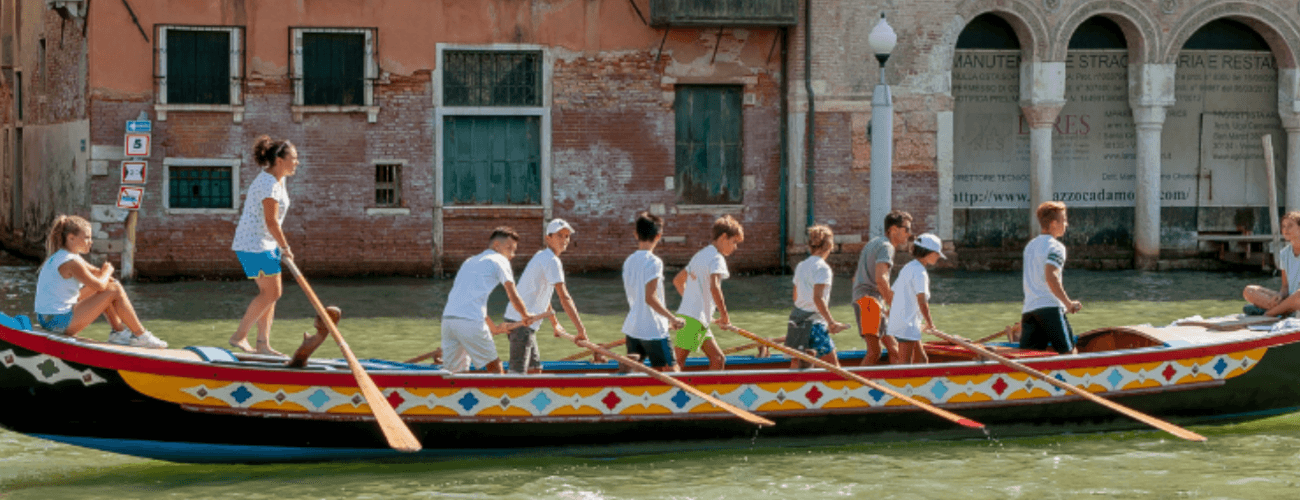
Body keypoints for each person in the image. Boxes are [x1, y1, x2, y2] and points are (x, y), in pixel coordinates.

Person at [35, 215, 167, 348]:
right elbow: (99, 284)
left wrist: (106, 275)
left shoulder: (65, 256)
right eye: (87, 237)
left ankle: (119, 333)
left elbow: (98, 274)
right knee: (112, 288)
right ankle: (140, 334)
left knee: (111, 286)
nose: (91, 241)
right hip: (56, 323)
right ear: (71, 238)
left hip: (47, 319)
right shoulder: (71, 262)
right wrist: (108, 270)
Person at [441, 227, 549, 374]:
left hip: (448, 321)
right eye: (510, 248)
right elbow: (513, 294)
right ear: (496, 245)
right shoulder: (500, 260)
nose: (512, 254)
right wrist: (525, 315)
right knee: (495, 367)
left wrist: (493, 328)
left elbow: (470, 300)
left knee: (455, 373)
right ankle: (503, 396)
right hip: (471, 321)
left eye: (514, 250)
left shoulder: (469, 261)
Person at [229, 135, 298, 356]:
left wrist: (279, 247)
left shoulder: (277, 178)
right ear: (280, 161)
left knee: (271, 294)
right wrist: (286, 247)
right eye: (293, 158)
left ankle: (263, 345)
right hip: (254, 244)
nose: (297, 162)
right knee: (272, 293)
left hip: (264, 244)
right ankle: (239, 336)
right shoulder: (268, 184)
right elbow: (271, 221)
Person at [503, 219, 588, 374]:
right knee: (516, 374)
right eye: (559, 236)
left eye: (567, 236)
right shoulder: (552, 261)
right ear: (548, 238)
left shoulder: (541, 256)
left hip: (523, 322)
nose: (564, 240)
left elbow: (542, 294)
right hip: (521, 323)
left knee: (535, 370)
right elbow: (565, 298)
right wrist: (581, 331)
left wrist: (555, 324)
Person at [674, 215, 744, 371]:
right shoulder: (717, 258)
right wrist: (725, 317)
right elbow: (714, 287)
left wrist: (695, 304)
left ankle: (713, 393)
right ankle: (663, 393)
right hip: (693, 319)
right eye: (734, 242)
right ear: (724, 237)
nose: (735, 247)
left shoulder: (700, 255)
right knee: (676, 363)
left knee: (718, 359)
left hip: (698, 318)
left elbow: (678, 281)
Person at [622, 212, 685, 372]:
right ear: (658, 236)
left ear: (636, 234)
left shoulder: (628, 261)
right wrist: (673, 318)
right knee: (672, 372)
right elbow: (650, 298)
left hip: (633, 328)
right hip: (653, 329)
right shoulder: (654, 262)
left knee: (639, 374)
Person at [851, 210, 912, 365]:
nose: (909, 234)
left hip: (868, 301)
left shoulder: (873, 243)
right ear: (893, 229)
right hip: (870, 302)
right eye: (907, 229)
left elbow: (855, 278)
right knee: (875, 352)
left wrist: (882, 305)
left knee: (893, 349)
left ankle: (891, 382)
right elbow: (881, 279)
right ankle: (860, 386)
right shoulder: (887, 247)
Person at [1020, 201, 1082, 354]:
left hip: (1029, 310)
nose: (1066, 224)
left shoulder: (1030, 246)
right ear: (1054, 224)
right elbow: (1051, 277)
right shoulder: (1056, 247)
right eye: (1064, 220)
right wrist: (1068, 304)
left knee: (1029, 358)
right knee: (1069, 354)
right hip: (1050, 308)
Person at [786, 225, 850, 368]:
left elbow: (796, 297)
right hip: (814, 325)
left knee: (797, 366)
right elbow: (818, 298)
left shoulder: (801, 265)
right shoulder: (823, 268)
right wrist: (831, 322)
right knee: (834, 368)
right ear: (829, 245)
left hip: (796, 322)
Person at [886, 233, 945, 365]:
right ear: (928, 252)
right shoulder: (920, 272)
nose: (939, 257)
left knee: (922, 359)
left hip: (906, 321)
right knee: (904, 362)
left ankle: (921, 383)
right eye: (937, 253)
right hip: (907, 324)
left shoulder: (909, 267)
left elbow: (894, 293)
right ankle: (901, 384)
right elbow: (922, 301)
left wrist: (891, 312)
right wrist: (930, 323)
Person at [1244, 211, 1300, 317]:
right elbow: (1285, 286)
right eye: (1283, 226)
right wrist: (1280, 295)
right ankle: (1285, 311)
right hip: (1289, 299)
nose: (1285, 230)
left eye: (1290, 226)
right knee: (1249, 291)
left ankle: (1269, 313)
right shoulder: (1284, 253)